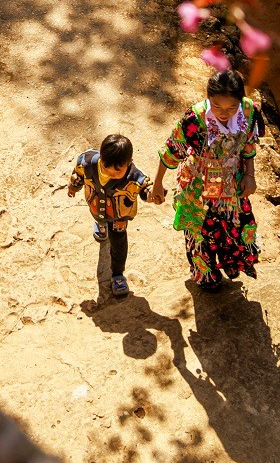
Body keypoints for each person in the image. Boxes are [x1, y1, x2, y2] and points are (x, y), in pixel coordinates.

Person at [150, 68, 261, 292]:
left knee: (233, 229)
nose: (224, 112)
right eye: (217, 106)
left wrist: (250, 175)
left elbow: (248, 146)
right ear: (208, 98)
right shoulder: (195, 119)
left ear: (240, 101)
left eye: (231, 107)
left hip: (233, 187)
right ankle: (206, 275)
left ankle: (229, 265)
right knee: (201, 234)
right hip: (199, 189)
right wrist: (158, 183)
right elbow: (172, 150)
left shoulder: (248, 112)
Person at [68, 133, 152, 298]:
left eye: (118, 171)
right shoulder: (87, 162)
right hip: (95, 205)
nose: (111, 173)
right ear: (101, 158)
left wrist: (153, 194)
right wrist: (73, 186)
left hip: (119, 217)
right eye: (106, 168)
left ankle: (118, 274)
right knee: (98, 217)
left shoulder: (133, 176)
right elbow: (78, 174)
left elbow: (145, 188)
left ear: (129, 163)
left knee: (119, 244)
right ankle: (100, 224)